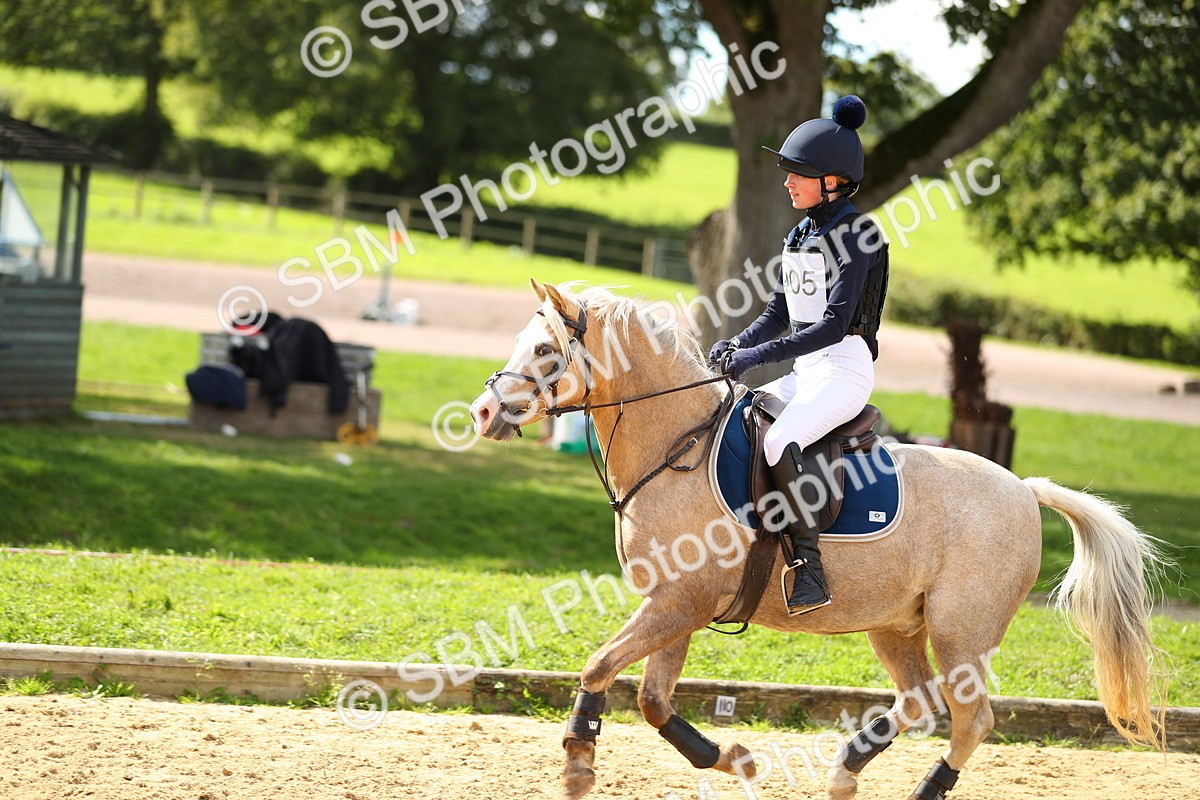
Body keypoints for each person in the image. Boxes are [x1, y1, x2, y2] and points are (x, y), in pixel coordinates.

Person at [708, 95, 889, 616]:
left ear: (833, 180)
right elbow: (778, 313)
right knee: (738, 419)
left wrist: (757, 356)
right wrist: (739, 344)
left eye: (798, 174)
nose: (787, 182)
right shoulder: (800, 234)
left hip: (844, 369)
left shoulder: (858, 234)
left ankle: (809, 567)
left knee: (783, 437)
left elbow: (833, 326)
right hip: (805, 368)